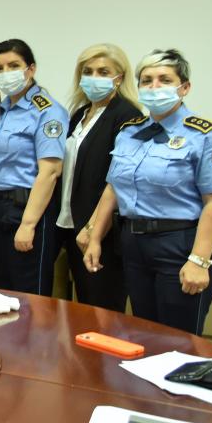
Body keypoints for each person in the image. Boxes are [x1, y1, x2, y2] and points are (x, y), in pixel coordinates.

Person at [82, 49, 212, 336]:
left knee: (179, 340)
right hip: (134, 244)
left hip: (180, 244)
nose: (154, 87)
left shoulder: (205, 135)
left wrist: (199, 261)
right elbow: (113, 188)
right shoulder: (129, 132)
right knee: (145, 334)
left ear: (184, 87)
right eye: (147, 80)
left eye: (165, 80)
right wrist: (95, 237)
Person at [55, 44, 141, 311]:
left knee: (103, 309)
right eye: (88, 71)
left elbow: (118, 179)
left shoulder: (127, 116)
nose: (94, 77)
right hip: (71, 224)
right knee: (82, 307)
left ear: (119, 77)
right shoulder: (80, 114)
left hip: (102, 231)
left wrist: (93, 229)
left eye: (103, 72)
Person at [0, 39, 67, 295]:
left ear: (31, 69)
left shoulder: (47, 111)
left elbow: (50, 172)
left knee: (29, 294)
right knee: (3, 292)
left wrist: (28, 224)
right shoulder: (2, 109)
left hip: (27, 208)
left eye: (13, 65)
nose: (5, 73)